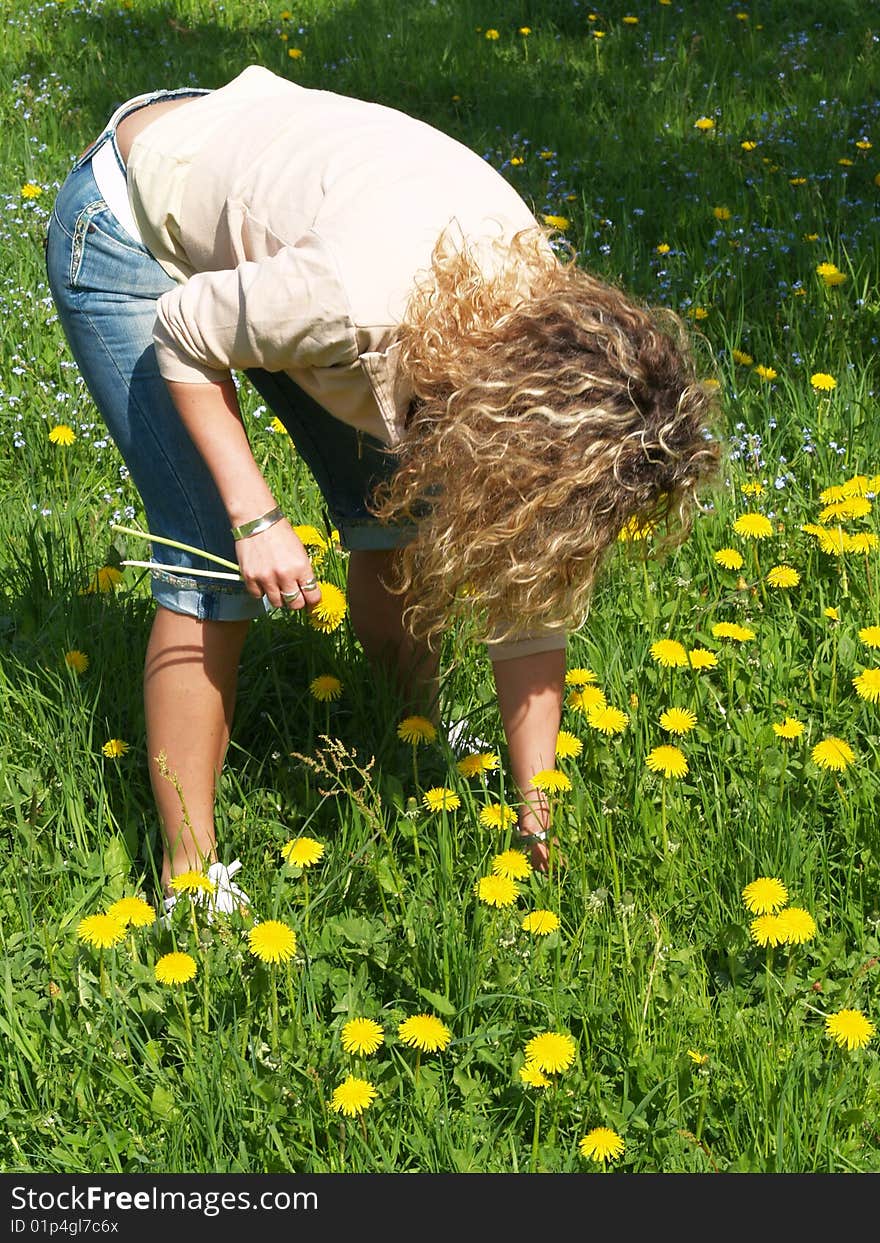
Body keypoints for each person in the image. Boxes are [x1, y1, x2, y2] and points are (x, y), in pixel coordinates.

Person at [46, 65, 719, 905]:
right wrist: (256, 516)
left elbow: (532, 591)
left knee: (406, 504)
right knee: (210, 552)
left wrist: (536, 816)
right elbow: (187, 334)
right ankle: (190, 882)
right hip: (133, 220)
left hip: (287, 222)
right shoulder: (350, 301)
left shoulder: (539, 343)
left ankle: (409, 729)